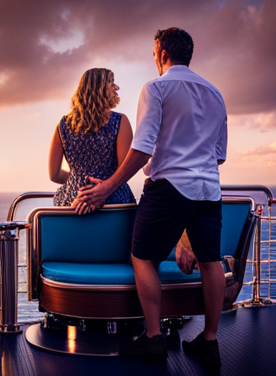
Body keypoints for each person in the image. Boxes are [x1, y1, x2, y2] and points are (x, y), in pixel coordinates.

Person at [75, 28, 227, 368]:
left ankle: (153, 338)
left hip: (168, 187)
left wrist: (106, 186)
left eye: (153, 52)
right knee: (210, 261)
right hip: (208, 189)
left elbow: (142, 149)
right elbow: (218, 155)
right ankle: (210, 342)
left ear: (161, 54)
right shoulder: (216, 93)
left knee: (142, 257)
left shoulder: (157, 88)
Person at [49, 68, 136, 206]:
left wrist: (80, 180)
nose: (117, 87)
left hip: (75, 200)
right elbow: (124, 170)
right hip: (112, 199)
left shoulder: (63, 125)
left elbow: (54, 175)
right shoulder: (120, 121)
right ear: (101, 89)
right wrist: (100, 186)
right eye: (112, 83)